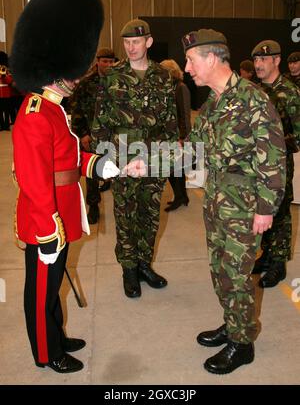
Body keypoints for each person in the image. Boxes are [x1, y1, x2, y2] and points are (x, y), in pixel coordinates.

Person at [10, 0, 144, 374]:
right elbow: (35, 180)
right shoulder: (35, 113)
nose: (78, 77)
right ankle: (45, 352)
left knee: (54, 288)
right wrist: (48, 229)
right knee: (41, 291)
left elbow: (67, 158)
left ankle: (57, 334)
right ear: (57, 70)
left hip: (63, 213)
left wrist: (104, 165)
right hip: (46, 221)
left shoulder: (53, 109)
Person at [182, 29, 286, 374]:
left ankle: (242, 344)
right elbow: (190, 149)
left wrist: (265, 209)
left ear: (211, 58)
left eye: (191, 60)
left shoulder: (253, 99)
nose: (187, 68)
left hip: (245, 207)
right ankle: (232, 323)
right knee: (220, 271)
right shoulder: (214, 102)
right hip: (217, 201)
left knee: (237, 276)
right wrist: (146, 161)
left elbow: (273, 158)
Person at [91, 19, 178, 298]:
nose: (130, 47)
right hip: (122, 154)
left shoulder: (163, 76)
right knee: (126, 214)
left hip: (153, 156)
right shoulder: (112, 76)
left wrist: (169, 156)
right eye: (126, 43)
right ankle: (128, 269)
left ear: (148, 42)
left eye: (136, 42)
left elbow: (170, 121)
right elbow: (100, 119)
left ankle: (144, 264)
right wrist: (103, 158)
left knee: (150, 214)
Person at [251, 40, 300, 287]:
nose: (258, 64)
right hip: (256, 164)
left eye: (264, 60)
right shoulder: (256, 91)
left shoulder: (290, 92)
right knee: (262, 208)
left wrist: (277, 146)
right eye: (256, 60)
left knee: (280, 211)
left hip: (279, 163)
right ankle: (267, 256)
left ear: (277, 61)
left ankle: (278, 264)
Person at [69, 47, 116, 224]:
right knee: (92, 173)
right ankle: (94, 206)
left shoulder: (118, 81)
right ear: (98, 62)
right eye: (105, 61)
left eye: (111, 61)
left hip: (114, 136)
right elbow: (76, 109)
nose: (108, 65)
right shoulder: (86, 83)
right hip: (92, 136)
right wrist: (82, 134)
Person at [160, 59, 191, 211]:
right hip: (169, 135)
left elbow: (185, 114)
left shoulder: (181, 87)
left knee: (173, 168)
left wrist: (183, 137)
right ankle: (182, 196)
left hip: (178, 136)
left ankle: (180, 197)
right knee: (174, 168)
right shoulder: (169, 87)